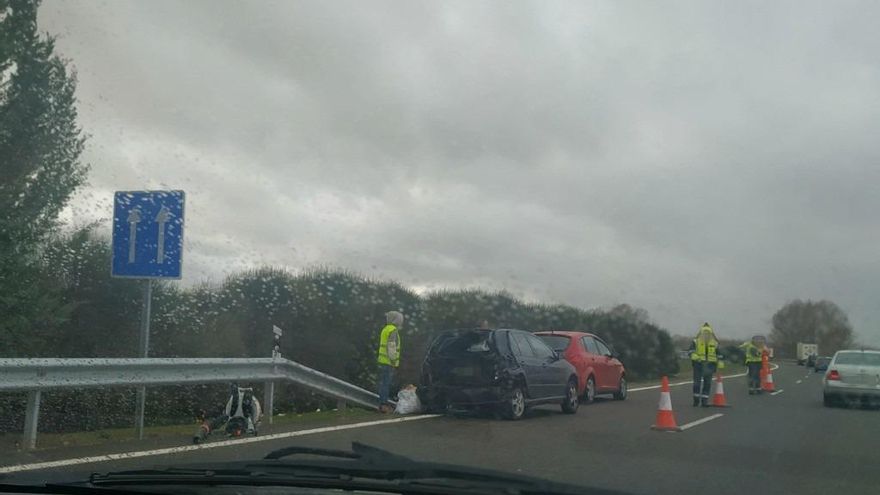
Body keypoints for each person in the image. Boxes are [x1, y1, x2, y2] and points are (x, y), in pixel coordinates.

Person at [377, 310, 403, 413]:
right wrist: (393, 360)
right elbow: (391, 346)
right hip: (388, 362)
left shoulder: (386, 329)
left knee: (383, 383)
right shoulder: (393, 330)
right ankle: (383, 405)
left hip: (383, 360)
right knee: (386, 384)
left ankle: (382, 404)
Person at [688, 322, 720, 407]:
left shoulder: (715, 343)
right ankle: (696, 399)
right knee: (697, 383)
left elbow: (719, 354)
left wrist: (719, 362)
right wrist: (695, 356)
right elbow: (690, 351)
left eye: (708, 333)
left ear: (711, 334)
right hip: (698, 364)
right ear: (701, 333)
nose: (706, 335)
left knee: (707, 383)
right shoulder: (695, 342)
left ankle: (704, 400)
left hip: (710, 366)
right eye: (704, 333)